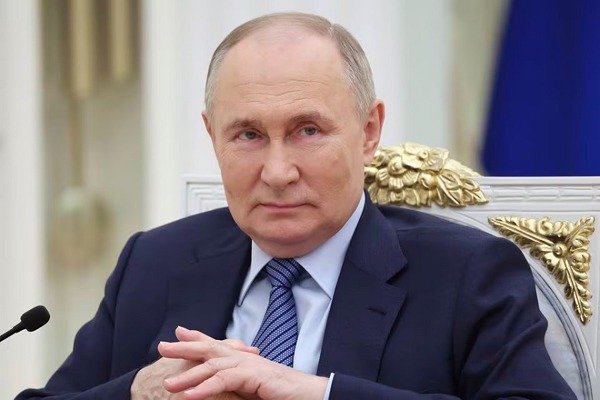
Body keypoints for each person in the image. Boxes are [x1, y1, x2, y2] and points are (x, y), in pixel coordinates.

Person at [18, 12, 575, 400]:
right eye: (248, 135)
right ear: (212, 136)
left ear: (368, 130)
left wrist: (317, 393)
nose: (278, 171)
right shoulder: (154, 263)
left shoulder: (467, 273)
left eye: (308, 130)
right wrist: (138, 391)